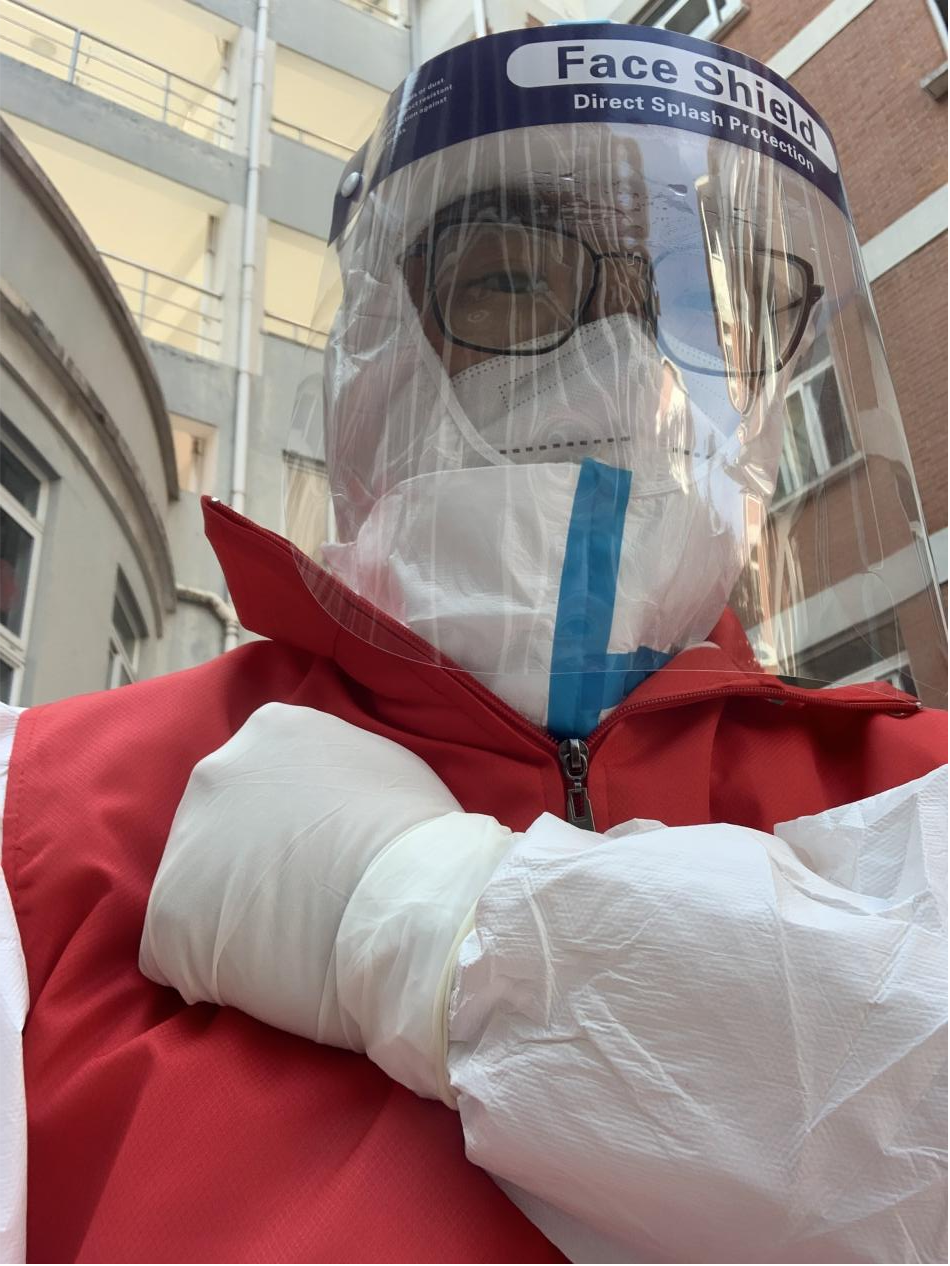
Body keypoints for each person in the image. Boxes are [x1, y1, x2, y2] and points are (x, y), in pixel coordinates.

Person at [1, 21, 947, 1266]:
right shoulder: (41, 816)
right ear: (374, 357)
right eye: (509, 280)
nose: (628, 370)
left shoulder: (915, 780)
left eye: (704, 309)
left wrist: (424, 910)